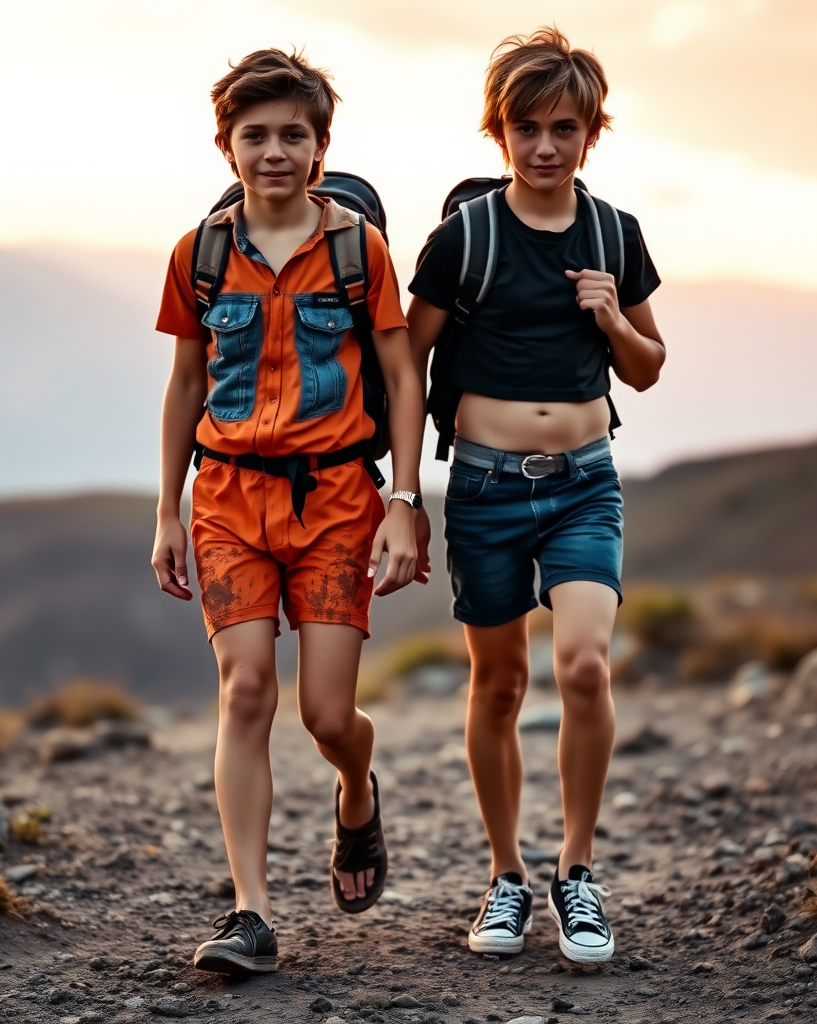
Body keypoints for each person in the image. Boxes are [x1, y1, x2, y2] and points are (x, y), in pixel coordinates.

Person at [152, 48, 427, 975]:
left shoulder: (359, 250)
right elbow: (186, 380)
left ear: (320, 146)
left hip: (338, 503)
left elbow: (399, 375)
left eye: (293, 135)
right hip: (227, 498)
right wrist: (166, 511)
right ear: (226, 145)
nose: (274, 151)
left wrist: (403, 499)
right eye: (255, 134)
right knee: (245, 692)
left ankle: (357, 787)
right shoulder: (200, 254)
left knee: (325, 714)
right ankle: (251, 913)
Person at [408, 28, 665, 964]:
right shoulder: (465, 239)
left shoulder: (614, 235)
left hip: (586, 484)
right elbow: (408, 358)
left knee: (586, 668)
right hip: (481, 485)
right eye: (527, 127)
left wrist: (609, 313)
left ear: (591, 134)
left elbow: (646, 368)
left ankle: (579, 873)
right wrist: (405, 492)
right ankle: (506, 877)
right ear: (499, 132)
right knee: (501, 682)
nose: (546, 145)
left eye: (565, 127)